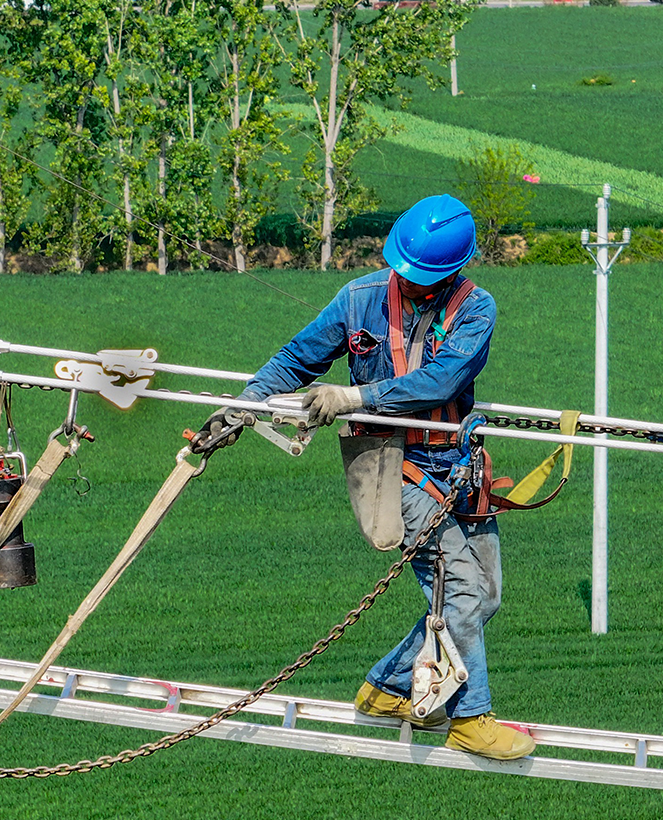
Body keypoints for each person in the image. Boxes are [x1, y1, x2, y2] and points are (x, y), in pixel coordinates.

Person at [193, 194, 534, 761]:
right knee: (464, 592)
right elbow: (297, 359)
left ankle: (386, 688)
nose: (411, 284)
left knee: (483, 596)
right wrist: (245, 405)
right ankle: (471, 718)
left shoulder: (477, 311)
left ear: (454, 270)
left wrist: (354, 395)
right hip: (394, 469)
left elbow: (440, 381)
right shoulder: (359, 300)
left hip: (457, 465)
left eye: (425, 278)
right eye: (405, 272)